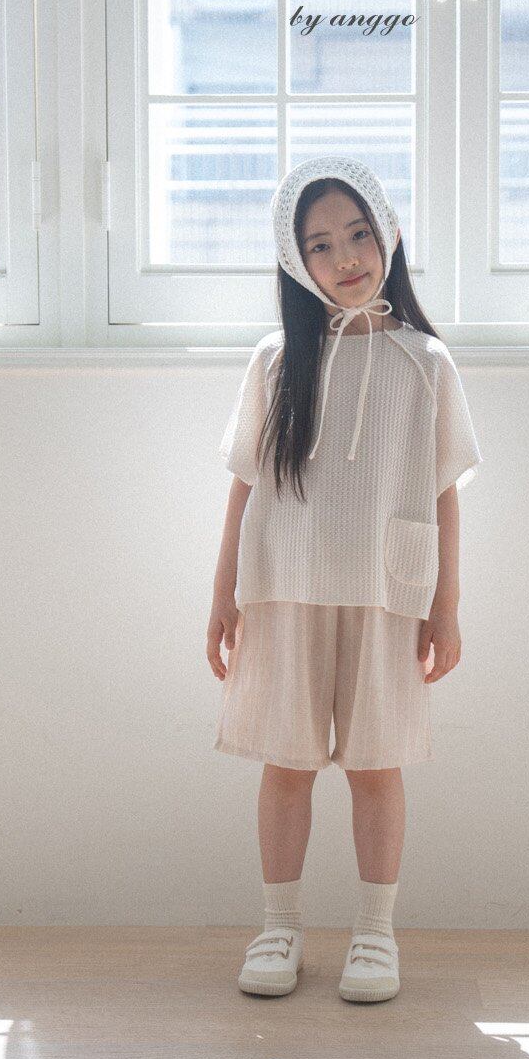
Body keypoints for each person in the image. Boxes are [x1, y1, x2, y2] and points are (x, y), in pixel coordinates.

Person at [206, 156, 483, 1004]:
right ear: (297, 262)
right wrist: (222, 594)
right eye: (321, 244)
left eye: (359, 234)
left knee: (376, 766)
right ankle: (279, 926)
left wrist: (447, 607)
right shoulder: (276, 360)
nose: (346, 256)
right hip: (284, 589)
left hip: (388, 593)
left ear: (389, 235)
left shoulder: (424, 362)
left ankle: (374, 932)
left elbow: (443, 490)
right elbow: (245, 484)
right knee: (286, 766)